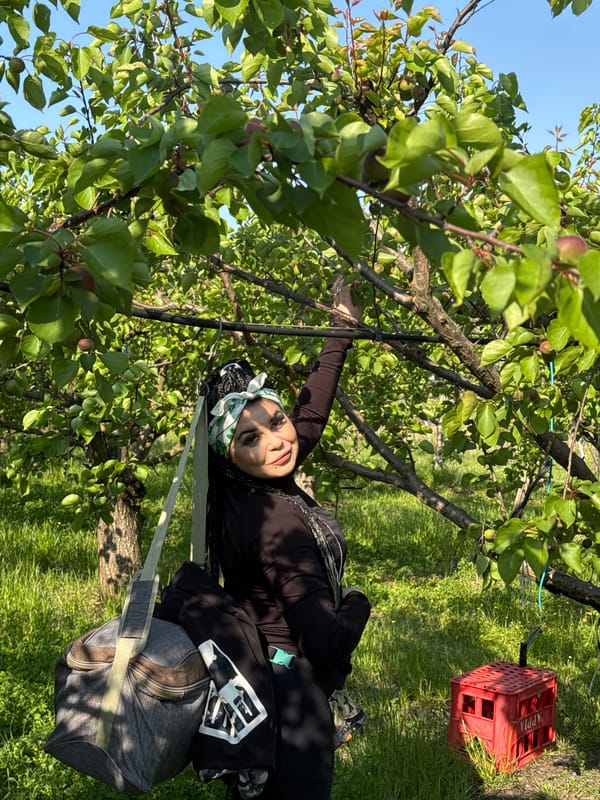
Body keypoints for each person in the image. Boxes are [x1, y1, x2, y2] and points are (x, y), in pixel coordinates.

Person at [202, 278, 371, 800]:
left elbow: (311, 415)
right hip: (291, 696)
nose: (277, 441)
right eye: (250, 437)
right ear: (228, 450)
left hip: (255, 687)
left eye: (277, 421)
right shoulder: (276, 521)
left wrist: (340, 329)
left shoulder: (242, 488)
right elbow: (324, 641)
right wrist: (360, 602)